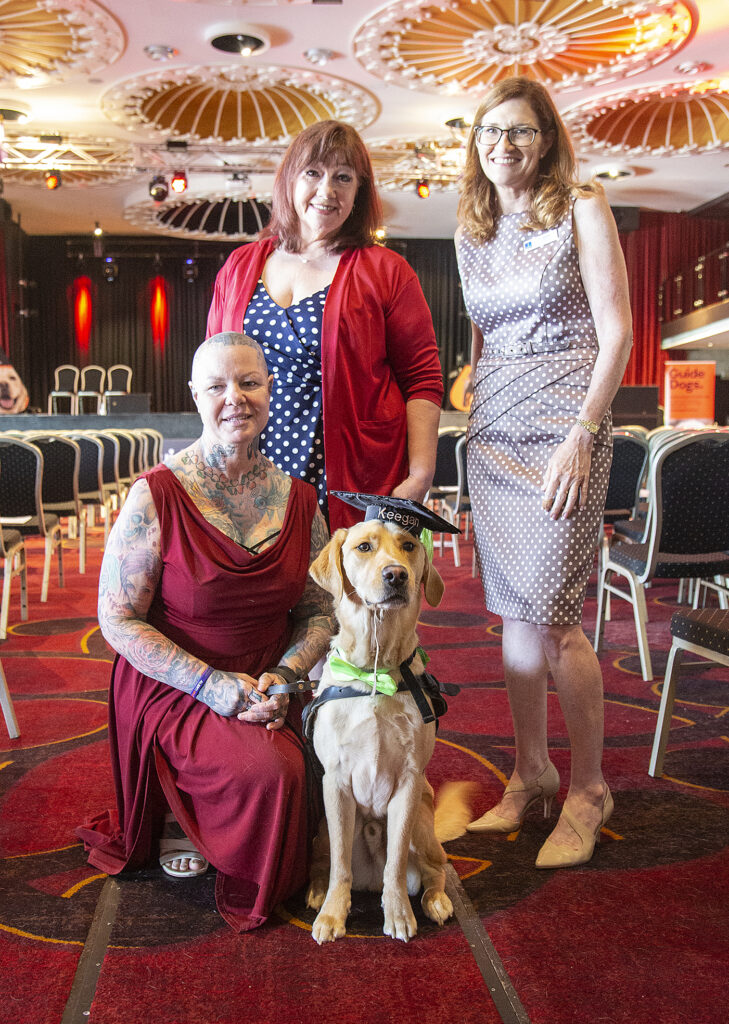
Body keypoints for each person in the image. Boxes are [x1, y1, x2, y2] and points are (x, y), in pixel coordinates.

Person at [77, 331, 334, 932]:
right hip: (175, 681)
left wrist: (288, 678)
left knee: (335, 777)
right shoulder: (156, 494)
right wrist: (212, 686)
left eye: (249, 382)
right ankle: (176, 808)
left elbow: (319, 613)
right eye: (217, 385)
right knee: (277, 775)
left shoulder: (301, 500)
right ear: (194, 395)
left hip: (267, 683)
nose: (235, 398)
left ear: (270, 390)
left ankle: (206, 806)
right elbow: (116, 618)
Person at [455, 77, 633, 868]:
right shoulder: (473, 223)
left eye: (519, 131)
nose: (502, 145)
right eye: (489, 132)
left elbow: (617, 331)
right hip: (492, 427)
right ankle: (529, 773)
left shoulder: (580, 204)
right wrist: (470, 419)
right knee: (513, 618)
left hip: (564, 425)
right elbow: (482, 340)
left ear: (546, 138)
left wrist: (582, 435)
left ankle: (589, 789)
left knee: (556, 617)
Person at [206, 119, 443, 531]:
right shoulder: (239, 266)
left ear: (359, 192)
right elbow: (213, 373)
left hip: (356, 476)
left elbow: (422, 379)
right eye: (313, 172)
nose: (327, 189)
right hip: (253, 472)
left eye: (343, 177)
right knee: (260, 593)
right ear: (289, 180)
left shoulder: (387, 271)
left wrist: (419, 477)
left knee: (349, 594)